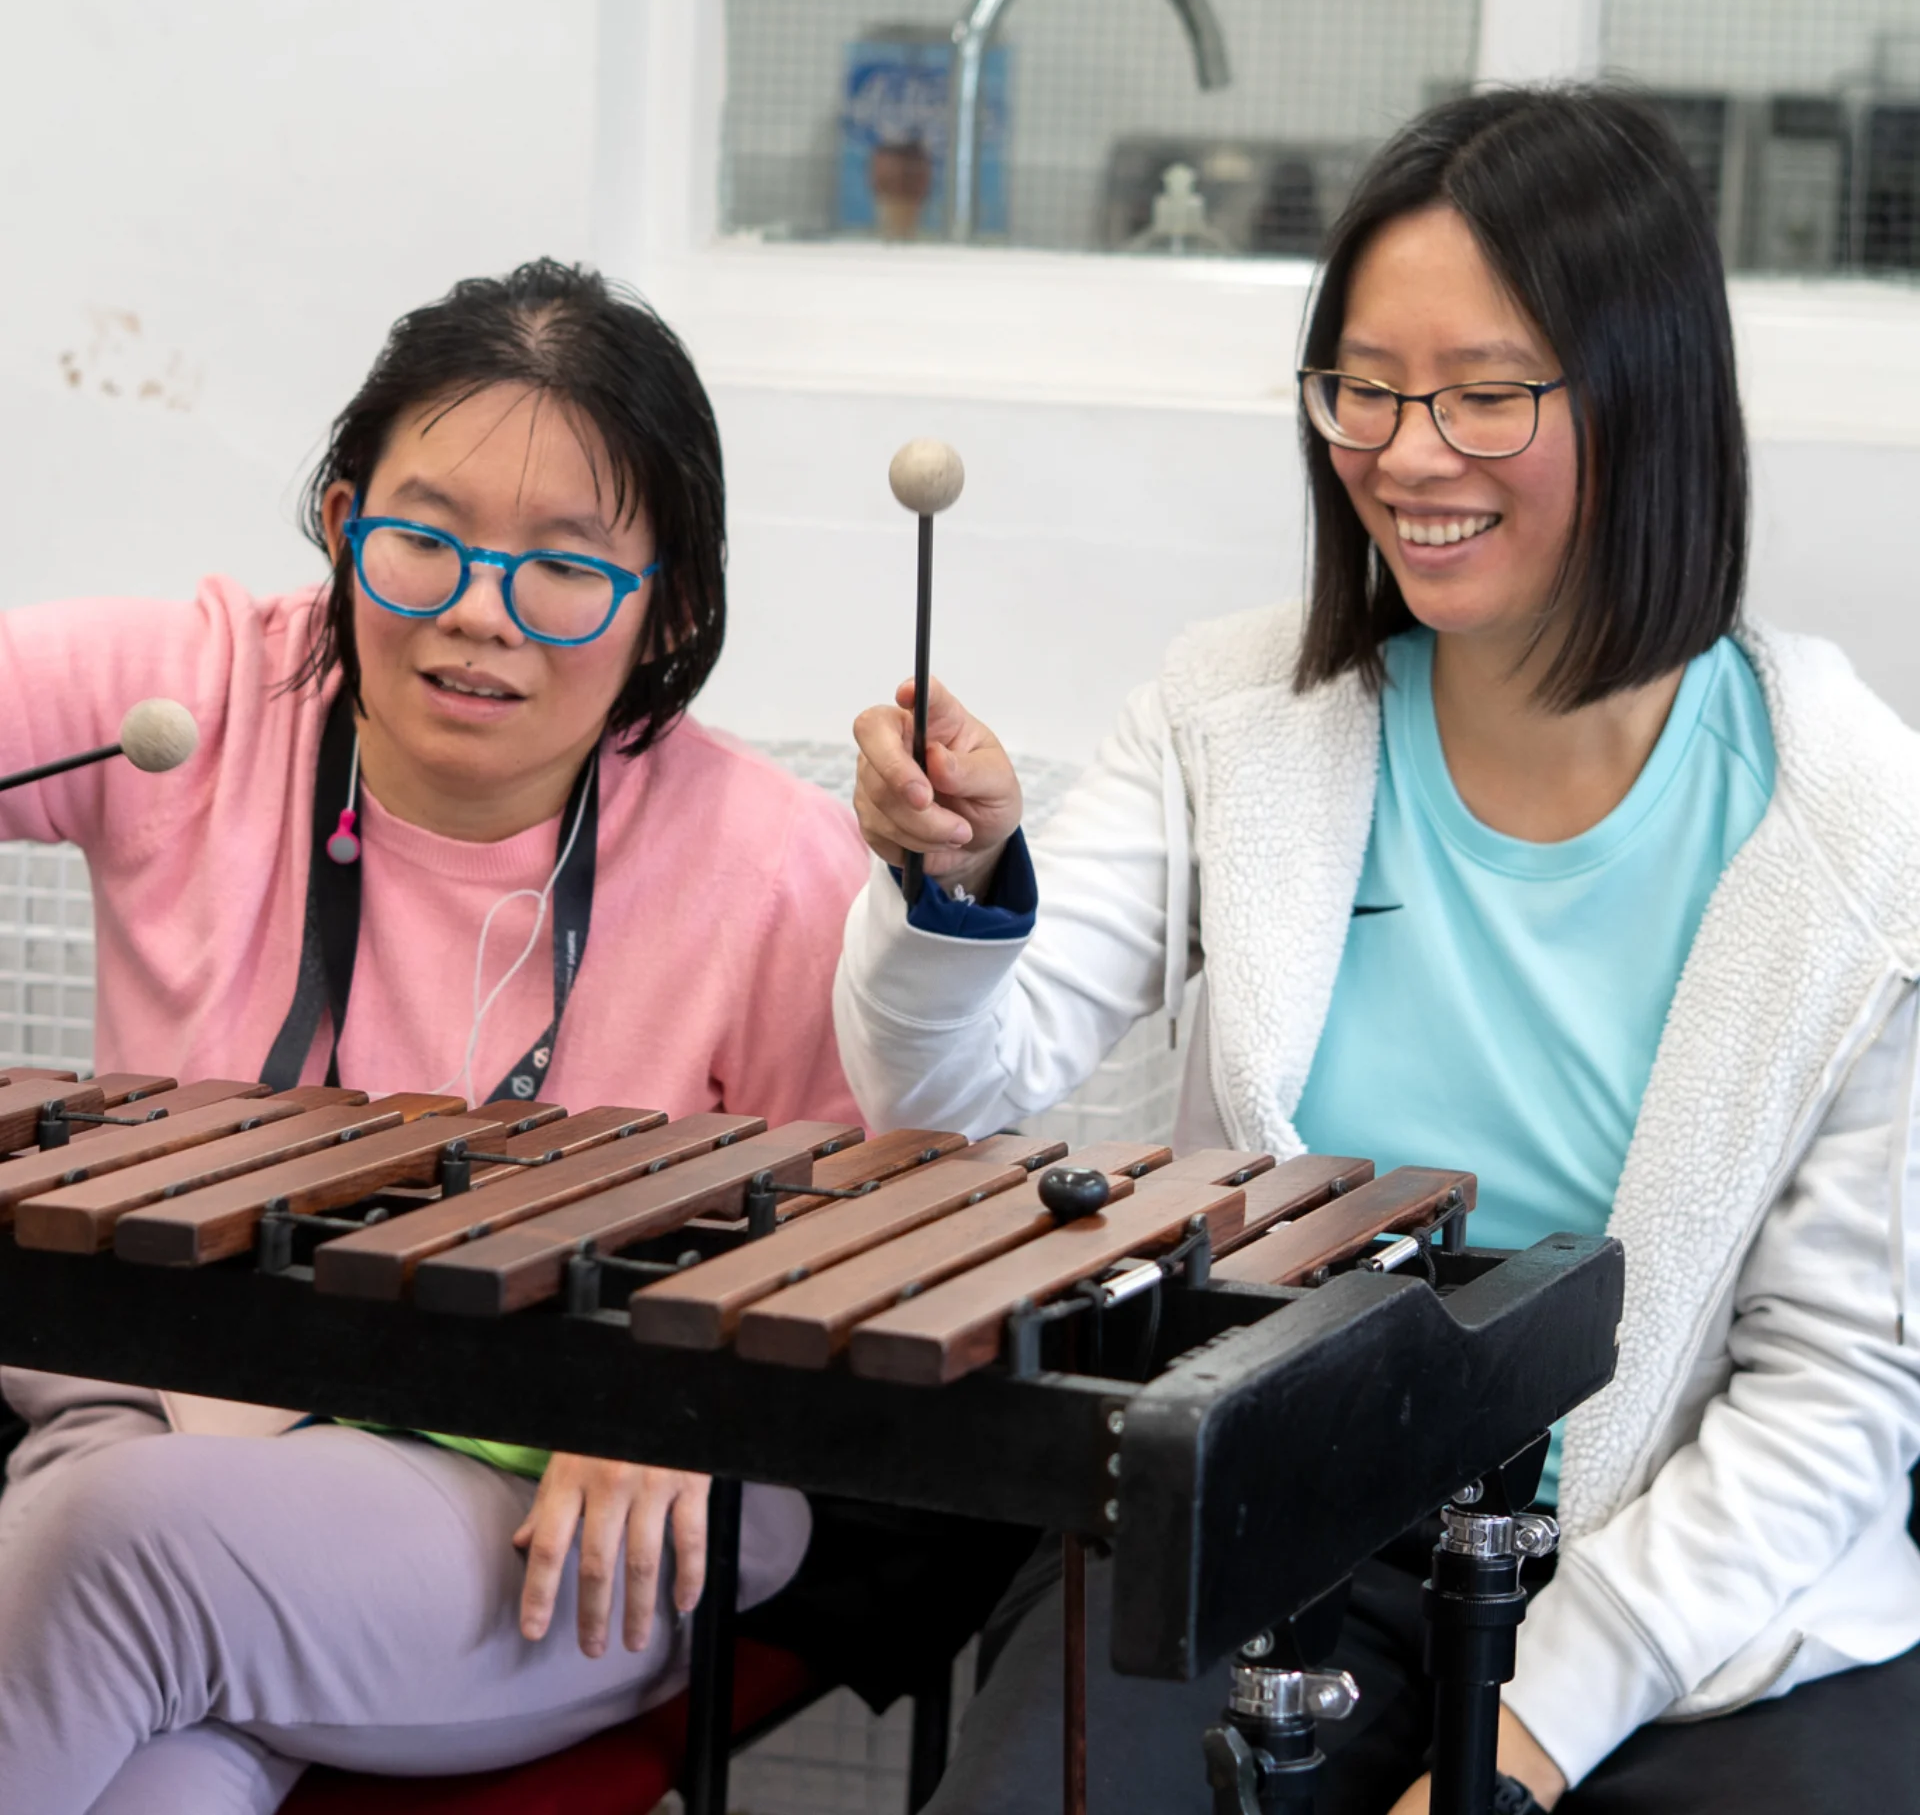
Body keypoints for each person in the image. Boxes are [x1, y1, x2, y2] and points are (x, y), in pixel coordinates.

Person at [837, 88, 1920, 1812]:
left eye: (1487, 393)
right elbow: (948, 1092)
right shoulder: (1233, 713)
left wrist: (1522, 1737)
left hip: (1676, 1585)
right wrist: (959, 885)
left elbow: (1831, 1401)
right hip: (1276, 1521)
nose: (1409, 456)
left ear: (1647, 399)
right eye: (1365, 387)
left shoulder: (1859, 828)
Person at [0, 260, 870, 1813]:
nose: (477, 611)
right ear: (345, 524)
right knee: (161, 1781)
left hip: (550, 1484)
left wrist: (687, 1387)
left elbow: (883, 1227)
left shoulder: (773, 865)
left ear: (669, 601)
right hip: (152, 1410)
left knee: (123, 1551)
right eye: (424, 538)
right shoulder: (197, 702)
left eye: (564, 566)